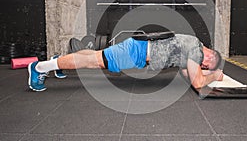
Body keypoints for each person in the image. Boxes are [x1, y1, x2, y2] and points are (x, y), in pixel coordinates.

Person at [28, 34, 224, 92]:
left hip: (136, 51)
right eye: (205, 67)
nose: (202, 68)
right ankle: (39, 68)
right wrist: (214, 75)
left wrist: (203, 74)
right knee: (91, 61)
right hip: (133, 53)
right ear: (208, 59)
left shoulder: (193, 43)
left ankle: (57, 62)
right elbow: (197, 83)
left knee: (95, 57)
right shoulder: (195, 51)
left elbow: (186, 73)